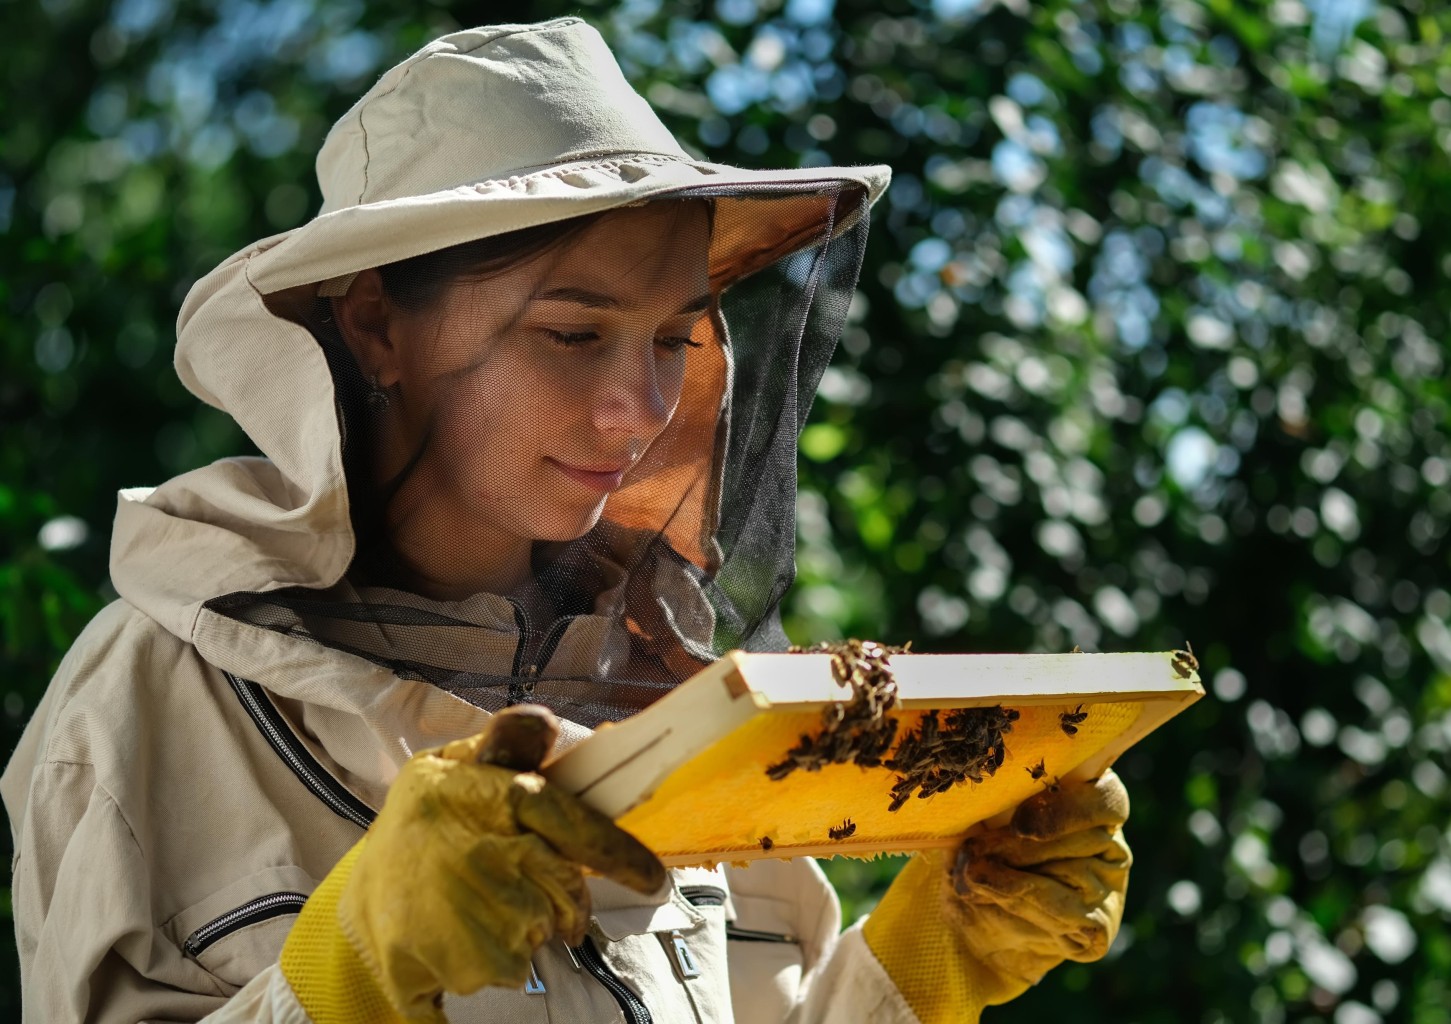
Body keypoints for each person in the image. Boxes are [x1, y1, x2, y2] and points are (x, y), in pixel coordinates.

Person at [2, 17, 1132, 1024]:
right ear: (376, 330)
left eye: (671, 338)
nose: (638, 408)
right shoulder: (148, 698)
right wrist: (345, 973)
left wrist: (923, 966)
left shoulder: (675, 689)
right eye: (573, 333)